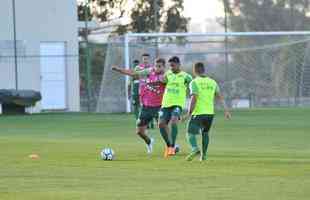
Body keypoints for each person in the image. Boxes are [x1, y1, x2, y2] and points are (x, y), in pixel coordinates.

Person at [112, 58, 166, 154]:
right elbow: (134, 74)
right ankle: (149, 142)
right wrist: (119, 70)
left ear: (164, 67)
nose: (157, 68)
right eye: (156, 66)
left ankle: (171, 146)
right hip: (146, 107)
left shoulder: (166, 76)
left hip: (160, 107)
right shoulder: (150, 71)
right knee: (139, 132)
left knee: (163, 127)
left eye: (159, 66)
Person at [184, 62, 231, 162]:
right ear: (204, 70)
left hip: (199, 113)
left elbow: (194, 97)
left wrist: (189, 112)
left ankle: (195, 149)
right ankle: (204, 156)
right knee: (205, 133)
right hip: (210, 113)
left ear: (194, 71)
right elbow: (220, 97)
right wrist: (226, 111)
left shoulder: (194, 82)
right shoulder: (212, 82)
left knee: (190, 133)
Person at [159, 56, 193, 157]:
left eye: (173, 65)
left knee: (174, 121)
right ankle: (169, 145)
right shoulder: (167, 74)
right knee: (161, 124)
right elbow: (162, 83)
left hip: (177, 104)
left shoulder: (186, 76)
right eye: (170, 66)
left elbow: (193, 87)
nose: (171, 68)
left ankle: (172, 146)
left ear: (178, 64)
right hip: (165, 104)